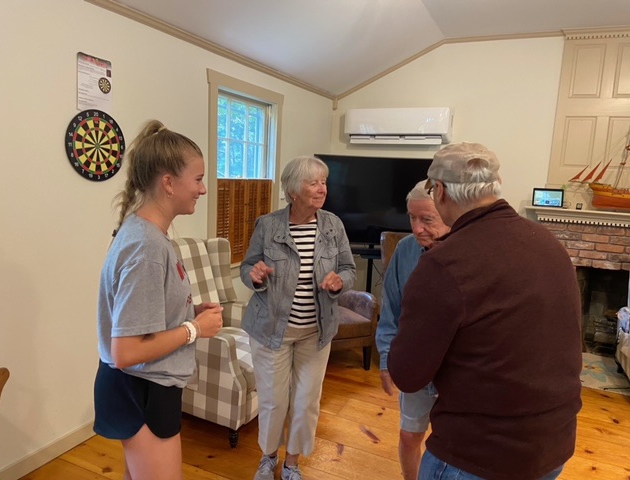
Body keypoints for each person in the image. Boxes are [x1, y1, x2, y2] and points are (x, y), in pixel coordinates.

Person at [388, 142, 582, 480]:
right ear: (496, 185)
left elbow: (406, 374)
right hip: (553, 442)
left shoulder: (444, 263)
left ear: (440, 191)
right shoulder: (549, 244)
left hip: (479, 454)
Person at [93, 120, 224, 480]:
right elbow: (127, 350)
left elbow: (143, 315)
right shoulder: (147, 247)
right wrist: (194, 328)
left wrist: (187, 311)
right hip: (141, 391)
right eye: (198, 179)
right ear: (168, 183)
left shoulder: (148, 235)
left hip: (147, 387)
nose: (203, 189)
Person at [240, 155, 356, 480]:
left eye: (324, 182)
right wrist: (255, 275)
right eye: (313, 182)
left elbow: (348, 268)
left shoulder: (333, 225)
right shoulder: (268, 225)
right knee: (274, 401)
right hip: (270, 330)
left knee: (306, 402)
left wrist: (340, 281)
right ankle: (268, 458)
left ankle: (292, 463)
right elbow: (247, 266)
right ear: (293, 191)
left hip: (315, 333)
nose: (322, 189)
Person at [375, 180, 450, 480]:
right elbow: (390, 310)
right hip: (416, 367)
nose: (417, 228)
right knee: (409, 436)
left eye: (427, 219)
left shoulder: (467, 252)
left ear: (448, 211)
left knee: (450, 446)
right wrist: (386, 360)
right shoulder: (405, 250)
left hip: (456, 372)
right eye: (411, 217)